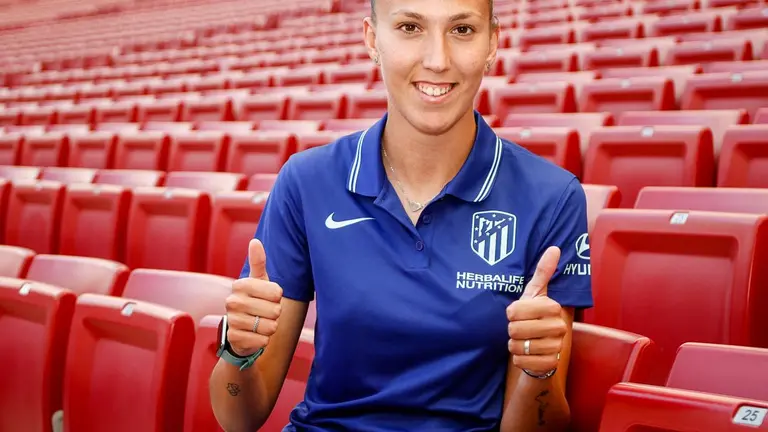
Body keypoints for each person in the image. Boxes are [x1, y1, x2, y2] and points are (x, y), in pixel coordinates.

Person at [209, 0, 593, 430]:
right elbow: (238, 420)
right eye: (410, 27)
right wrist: (238, 352)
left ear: (492, 43)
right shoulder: (306, 181)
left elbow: (541, 423)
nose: (437, 59)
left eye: (462, 30)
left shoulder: (553, 197)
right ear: (373, 40)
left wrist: (538, 369)